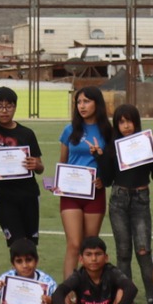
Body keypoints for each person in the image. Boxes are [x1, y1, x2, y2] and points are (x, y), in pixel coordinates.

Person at [106, 103, 153, 304]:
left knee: (143, 251)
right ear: (116, 124)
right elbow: (106, 179)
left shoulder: (145, 143)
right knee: (123, 254)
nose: (126, 126)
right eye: (121, 122)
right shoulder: (114, 146)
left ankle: (151, 301)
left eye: (130, 121)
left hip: (141, 200)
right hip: (119, 200)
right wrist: (101, 155)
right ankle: (126, 302)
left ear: (136, 122)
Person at [58, 86, 115, 279]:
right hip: (70, 194)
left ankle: (89, 289)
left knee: (90, 246)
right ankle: (67, 292)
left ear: (97, 104)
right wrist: (58, 181)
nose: (82, 106)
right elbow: (63, 162)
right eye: (79, 102)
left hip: (94, 194)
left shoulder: (108, 131)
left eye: (86, 101)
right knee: (74, 244)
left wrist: (102, 179)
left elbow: (110, 165)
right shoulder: (69, 130)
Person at [0, 86, 45, 245]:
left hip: (28, 193)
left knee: (31, 243)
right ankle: (18, 270)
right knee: (16, 243)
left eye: (9, 106)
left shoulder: (27, 133)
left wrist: (35, 164)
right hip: (3, 194)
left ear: (15, 107)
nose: (4, 111)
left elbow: (40, 167)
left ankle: (30, 270)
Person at [50, 235, 137, 304]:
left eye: (98, 254)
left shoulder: (112, 272)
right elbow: (59, 291)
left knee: (122, 292)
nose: (94, 258)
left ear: (106, 257)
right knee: (63, 297)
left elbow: (131, 288)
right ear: (81, 259)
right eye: (89, 254)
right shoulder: (79, 275)